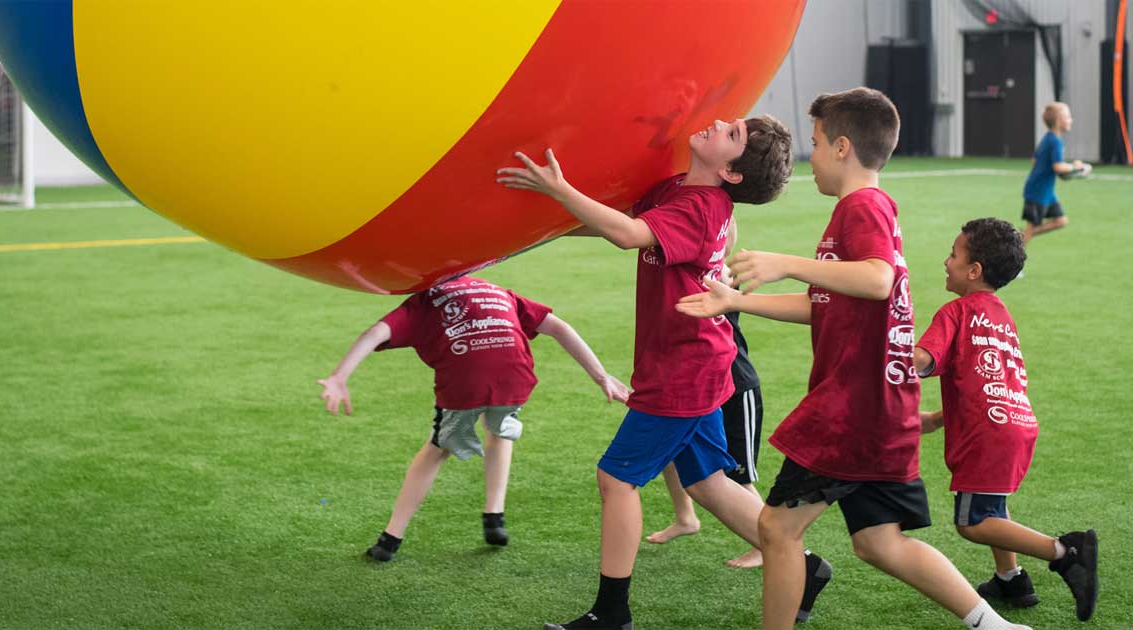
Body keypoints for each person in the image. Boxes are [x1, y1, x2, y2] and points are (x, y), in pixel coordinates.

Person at [677, 87, 1031, 630]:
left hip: (852, 408)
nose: (810, 156)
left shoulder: (861, 206)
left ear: (842, 147)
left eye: (815, 143)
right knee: (879, 543)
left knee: (775, 529)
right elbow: (827, 305)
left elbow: (876, 279)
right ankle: (995, 625)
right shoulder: (868, 208)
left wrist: (787, 262)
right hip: (880, 407)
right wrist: (737, 300)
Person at [498, 114, 817, 630]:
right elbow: (616, 222)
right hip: (699, 359)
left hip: (683, 370)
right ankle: (802, 565)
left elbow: (627, 234)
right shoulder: (684, 188)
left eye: (731, 134)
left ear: (732, 173)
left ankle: (612, 614)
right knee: (708, 482)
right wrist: (539, 224)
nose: (718, 123)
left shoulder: (699, 206)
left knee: (616, 478)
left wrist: (558, 189)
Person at [317, 275, 629, 562]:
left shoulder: (422, 302)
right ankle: (495, 516)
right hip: (515, 377)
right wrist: (600, 376)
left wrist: (339, 376)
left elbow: (375, 333)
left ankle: (390, 539)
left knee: (437, 451)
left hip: (464, 384)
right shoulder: (494, 289)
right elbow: (558, 327)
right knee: (501, 429)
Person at [914, 218, 1098, 622]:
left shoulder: (956, 311)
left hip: (989, 432)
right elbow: (989, 376)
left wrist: (884, 346)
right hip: (1014, 422)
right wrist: (942, 418)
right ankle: (1010, 578)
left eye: (954, 254)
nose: (946, 261)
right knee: (991, 506)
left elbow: (923, 362)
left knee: (973, 523)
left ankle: (1066, 552)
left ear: (974, 270)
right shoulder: (1001, 314)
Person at [645, 230, 767, 571]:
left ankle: (764, 543)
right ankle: (686, 518)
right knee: (673, 452)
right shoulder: (695, 273)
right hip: (701, 384)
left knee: (737, 477)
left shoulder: (720, 278)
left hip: (736, 387)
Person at [1021, 102, 1090, 245]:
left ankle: (1019, 236)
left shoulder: (1049, 139)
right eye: (1068, 117)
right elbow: (1058, 167)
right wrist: (1077, 167)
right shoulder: (1055, 142)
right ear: (1059, 121)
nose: (1071, 120)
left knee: (1061, 221)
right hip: (1038, 191)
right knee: (1030, 228)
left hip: (1046, 192)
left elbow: (1035, 160)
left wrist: (1066, 173)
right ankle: (1013, 264)